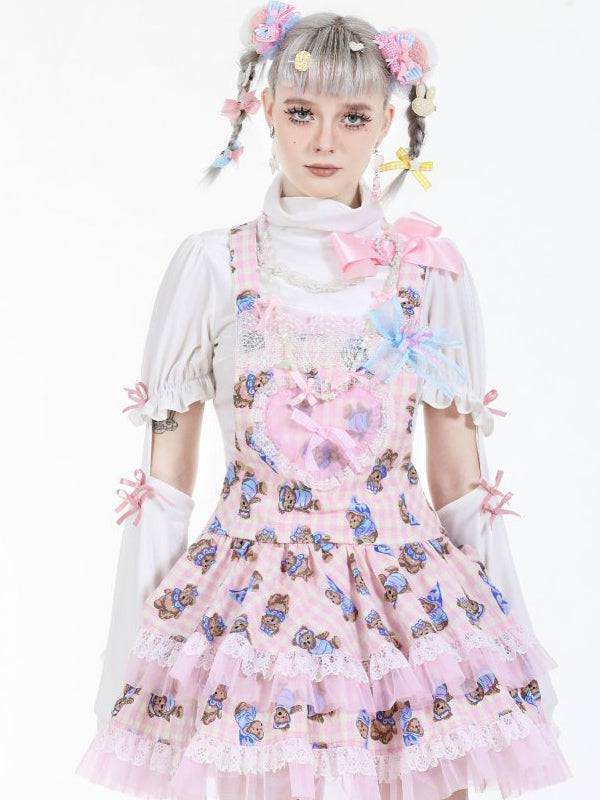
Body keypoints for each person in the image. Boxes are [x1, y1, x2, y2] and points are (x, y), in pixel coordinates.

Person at [75, 5, 572, 800]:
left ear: (386, 125)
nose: (324, 141)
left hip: (408, 609)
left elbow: (461, 483)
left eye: (353, 117)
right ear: (266, 109)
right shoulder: (211, 266)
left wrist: (510, 645)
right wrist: (134, 654)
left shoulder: (428, 270)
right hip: (250, 608)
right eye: (303, 112)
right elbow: (165, 484)